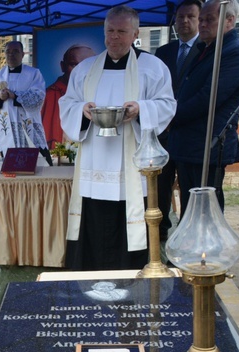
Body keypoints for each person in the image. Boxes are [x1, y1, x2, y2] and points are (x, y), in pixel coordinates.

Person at [59, 6, 176, 271]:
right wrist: (83, 110)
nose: (114, 37)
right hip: (94, 160)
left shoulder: (153, 67)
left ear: (135, 33)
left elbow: (167, 104)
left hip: (132, 163)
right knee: (96, 219)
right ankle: (90, 273)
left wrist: (141, 110)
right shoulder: (85, 69)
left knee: (130, 216)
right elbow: (68, 103)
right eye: (109, 31)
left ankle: (132, 272)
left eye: (121, 31)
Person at [167, 0, 239, 217]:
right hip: (189, 145)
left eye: (209, 20)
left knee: (206, 213)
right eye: (201, 19)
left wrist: (170, 117)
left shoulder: (235, 52)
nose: (202, 24)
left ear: (229, 20)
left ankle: (206, 252)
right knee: (189, 209)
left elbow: (208, 98)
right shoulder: (208, 48)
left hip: (208, 146)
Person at [154, 0, 202, 240]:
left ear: (199, 20)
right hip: (163, 134)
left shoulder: (207, 50)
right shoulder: (163, 52)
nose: (184, 21)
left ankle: (185, 238)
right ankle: (160, 233)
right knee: (160, 186)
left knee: (188, 188)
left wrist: (176, 116)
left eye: (190, 17)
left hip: (190, 133)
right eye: (180, 16)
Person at [0, 41, 52, 165]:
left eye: (15, 52)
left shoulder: (33, 74)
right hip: (7, 130)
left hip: (29, 128)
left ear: (23, 54)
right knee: (11, 169)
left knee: (39, 166)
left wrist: (15, 95)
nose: (11, 55)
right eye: (8, 52)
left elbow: (38, 96)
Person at [41, 44, 95, 150]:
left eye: (88, 66)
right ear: (62, 66)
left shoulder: (98, 93)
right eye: (74, 65)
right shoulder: (50, 95)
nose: (80, 71)